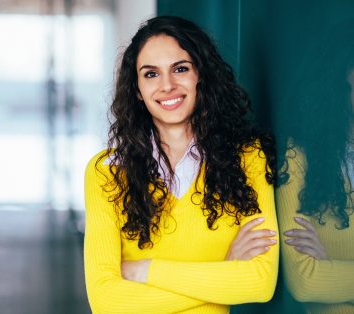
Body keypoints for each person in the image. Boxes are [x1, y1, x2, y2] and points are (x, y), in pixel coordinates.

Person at [84, 16, 278, 313]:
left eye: (180, 69)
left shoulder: (249, 158)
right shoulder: (107, 171)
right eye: (151, 74)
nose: (168, 86)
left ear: (201, 75)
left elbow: (259, 283)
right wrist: (223, 272)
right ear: (137, 89)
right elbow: (105, 302)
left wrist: (144, 270)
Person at [276, 21, 354, 314]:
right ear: (340, 78)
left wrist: (331, 268)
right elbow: (305, 283)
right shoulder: (296, 158)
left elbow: (321, 277)